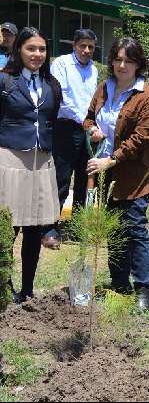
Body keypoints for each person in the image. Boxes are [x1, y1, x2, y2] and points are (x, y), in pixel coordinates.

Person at [83, 37, 149, 311]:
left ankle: (143, 287)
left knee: (134, 229)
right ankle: (118, 283)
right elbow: (90, 116)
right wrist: (92, 129)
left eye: (128, 60)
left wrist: (111, 160)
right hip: (105, 175)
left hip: (132, 174)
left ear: (138, 63)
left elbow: (143, 137)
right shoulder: (104, 88)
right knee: (114, 229)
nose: (122, 64)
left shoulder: (146, 96)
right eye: (117, 59)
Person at [0, 27, 61, 303]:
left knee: (35, 229)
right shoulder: (5, 81)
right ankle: (4, 285)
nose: (37, 54)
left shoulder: (52, 85)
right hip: (11, 159)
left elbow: (53, 120)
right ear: (19, 50)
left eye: (42, 49)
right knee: (8, 228)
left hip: (41, 161)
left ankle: (27, 289)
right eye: (31, 49)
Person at [43, 29, 99, 250]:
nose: (86, 50)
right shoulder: (62, 64)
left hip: (87, 130)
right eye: (82, 45)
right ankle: (49, 228)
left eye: (91, 47)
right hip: (66, 128)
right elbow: (61, 96)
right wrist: (86, 122)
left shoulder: (94, 70)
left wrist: (93, 125)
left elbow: (93, 100)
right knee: (61, 180)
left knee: (84, 180)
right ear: (74, 45)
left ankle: (76, 226)